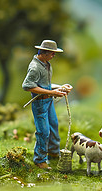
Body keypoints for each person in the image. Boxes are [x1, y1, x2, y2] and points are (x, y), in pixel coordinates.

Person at [22, 40, 72, 170]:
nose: (53, 56)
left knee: (54, 125)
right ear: (44, 53)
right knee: (43, 132)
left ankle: (53, 152)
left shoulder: (47, 65)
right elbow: (28, 86)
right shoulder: (35, 67)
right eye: (52, 53)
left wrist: (60, 88)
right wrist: (51, 92)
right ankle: (40, 159)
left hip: (49, 101)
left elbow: (46, 85)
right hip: (40, 104)